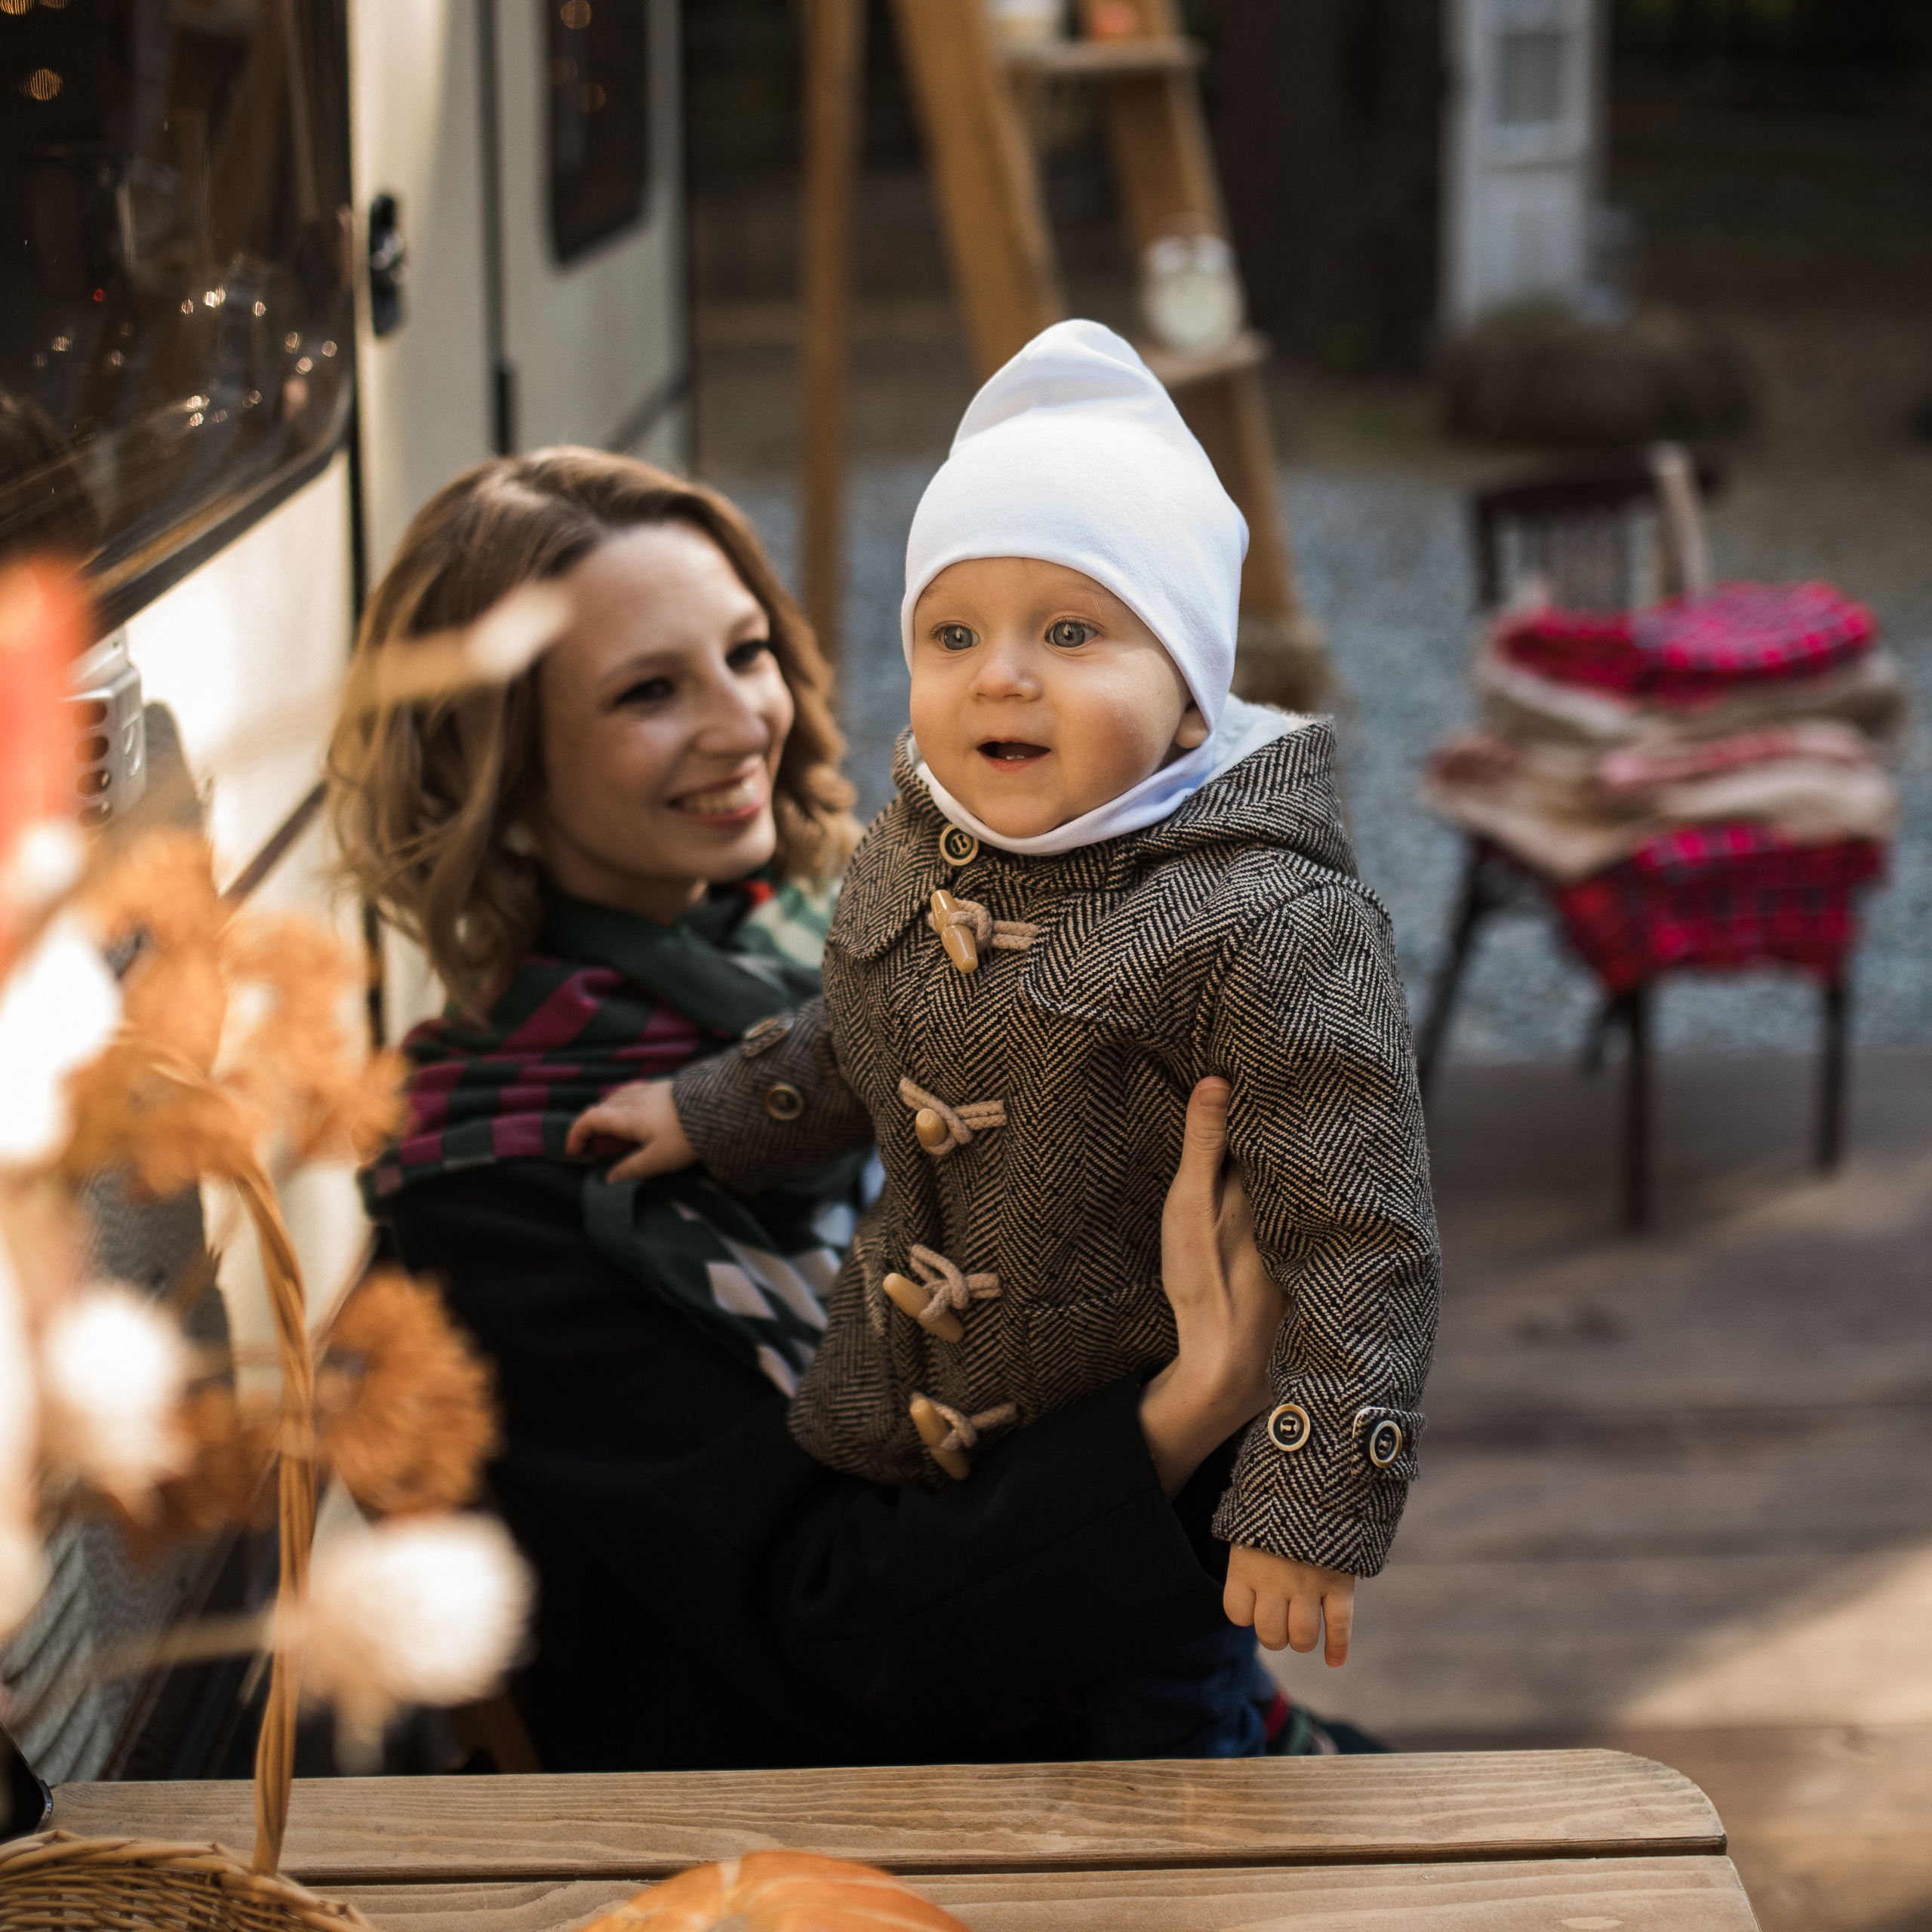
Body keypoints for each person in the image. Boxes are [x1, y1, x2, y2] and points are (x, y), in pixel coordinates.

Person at [328, 447, 1294, 1771]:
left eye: (745, 655)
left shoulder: (828, 963)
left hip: (1126, 1659)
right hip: (880, 1811)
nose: (740, 723)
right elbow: (835, 1629)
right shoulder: (497, 1196)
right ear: (500, 768)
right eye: (649, 693)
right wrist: (1187, 1407)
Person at [570, 322, 1441, 1755]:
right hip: (925, 1466)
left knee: (1158, 1815)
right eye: (953, 634)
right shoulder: (919, 844)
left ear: (1187, 705)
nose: (1002, 678)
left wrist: (1310, 1493)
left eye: (1074, 632)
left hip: (1152, 1520)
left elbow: (1363, 1235)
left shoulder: (1267, 919)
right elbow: (855, 1036)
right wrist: (713, 1111)